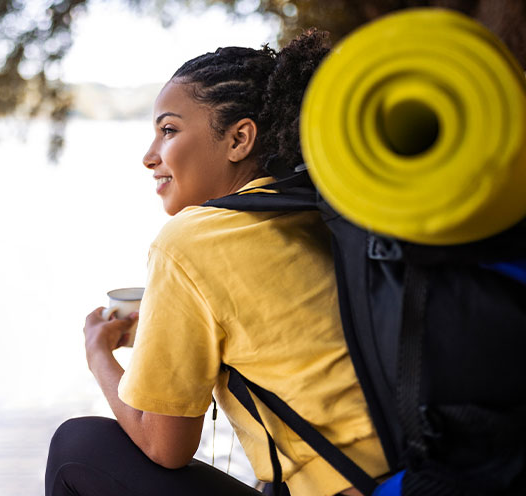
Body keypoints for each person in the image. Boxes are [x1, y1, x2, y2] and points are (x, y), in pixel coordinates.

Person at [46, 30, 389, 496]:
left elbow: (165, 446)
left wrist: (98, 356)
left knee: (77, 446)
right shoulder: (321, 209)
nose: (149, 157)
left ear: (239, 139)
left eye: (168, 130)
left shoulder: (190, 240)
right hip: (424, 476)